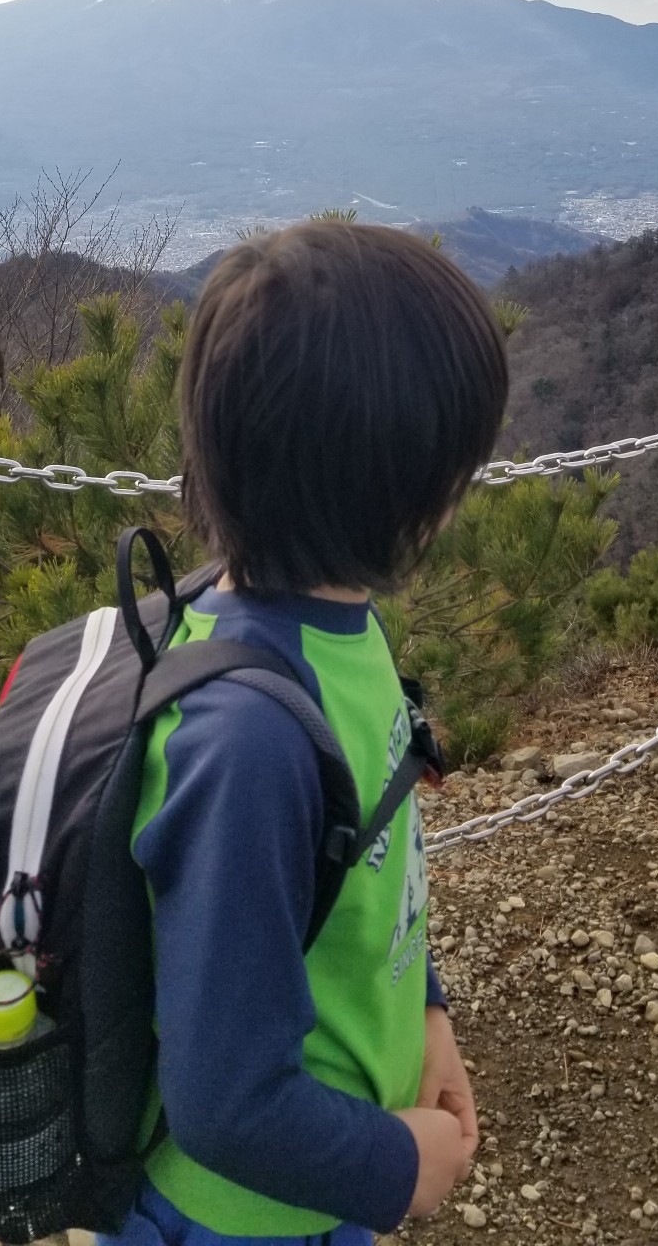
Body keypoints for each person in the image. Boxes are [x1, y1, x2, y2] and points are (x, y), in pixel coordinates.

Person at [104, 220, 509, 1246]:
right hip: (239, 1221)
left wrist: (426, 1010)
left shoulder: (339, 630)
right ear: (393, 489)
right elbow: (225, 1101)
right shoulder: (246, 741)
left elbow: (371, 864)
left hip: (314, 1188)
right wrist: (394, 1167)